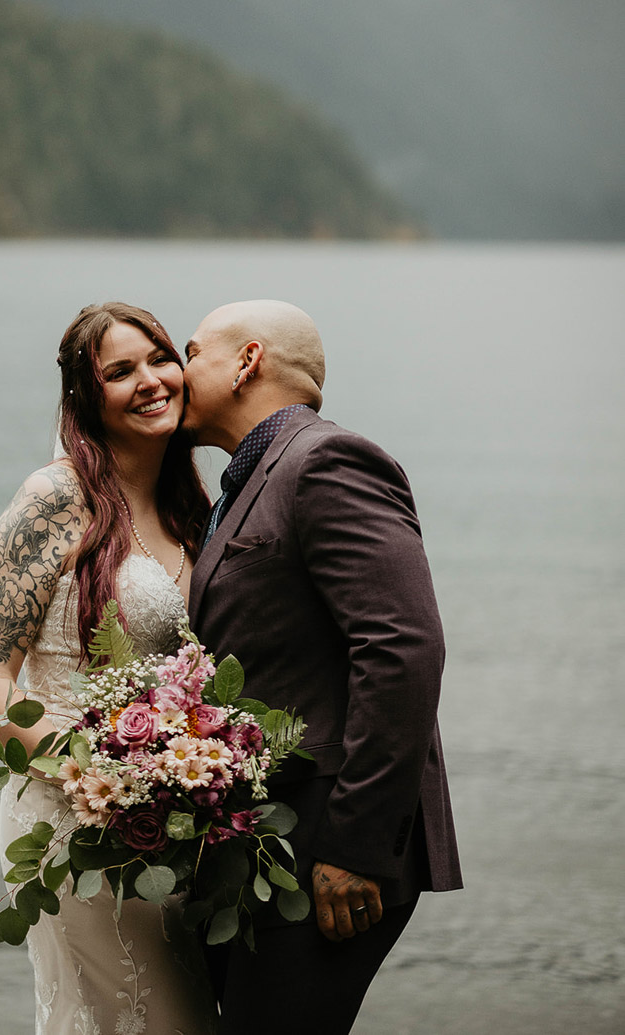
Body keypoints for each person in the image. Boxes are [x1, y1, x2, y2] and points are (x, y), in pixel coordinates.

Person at [182, 299, 462, 1034]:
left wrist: (355, 848)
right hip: (268, 846)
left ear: (246, 361)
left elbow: (402, 646)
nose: (178, 375)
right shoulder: (245, 484)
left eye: (191, 353)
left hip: (328, 856)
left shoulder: (325, 461)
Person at [0, 302, 217, 1035]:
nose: (150, 380)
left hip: (174, 821)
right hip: (75, 823)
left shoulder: (190, 508)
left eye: (158, 359)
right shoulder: (53, 497)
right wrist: (98, 783)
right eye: (119, 370)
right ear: (84, 396)